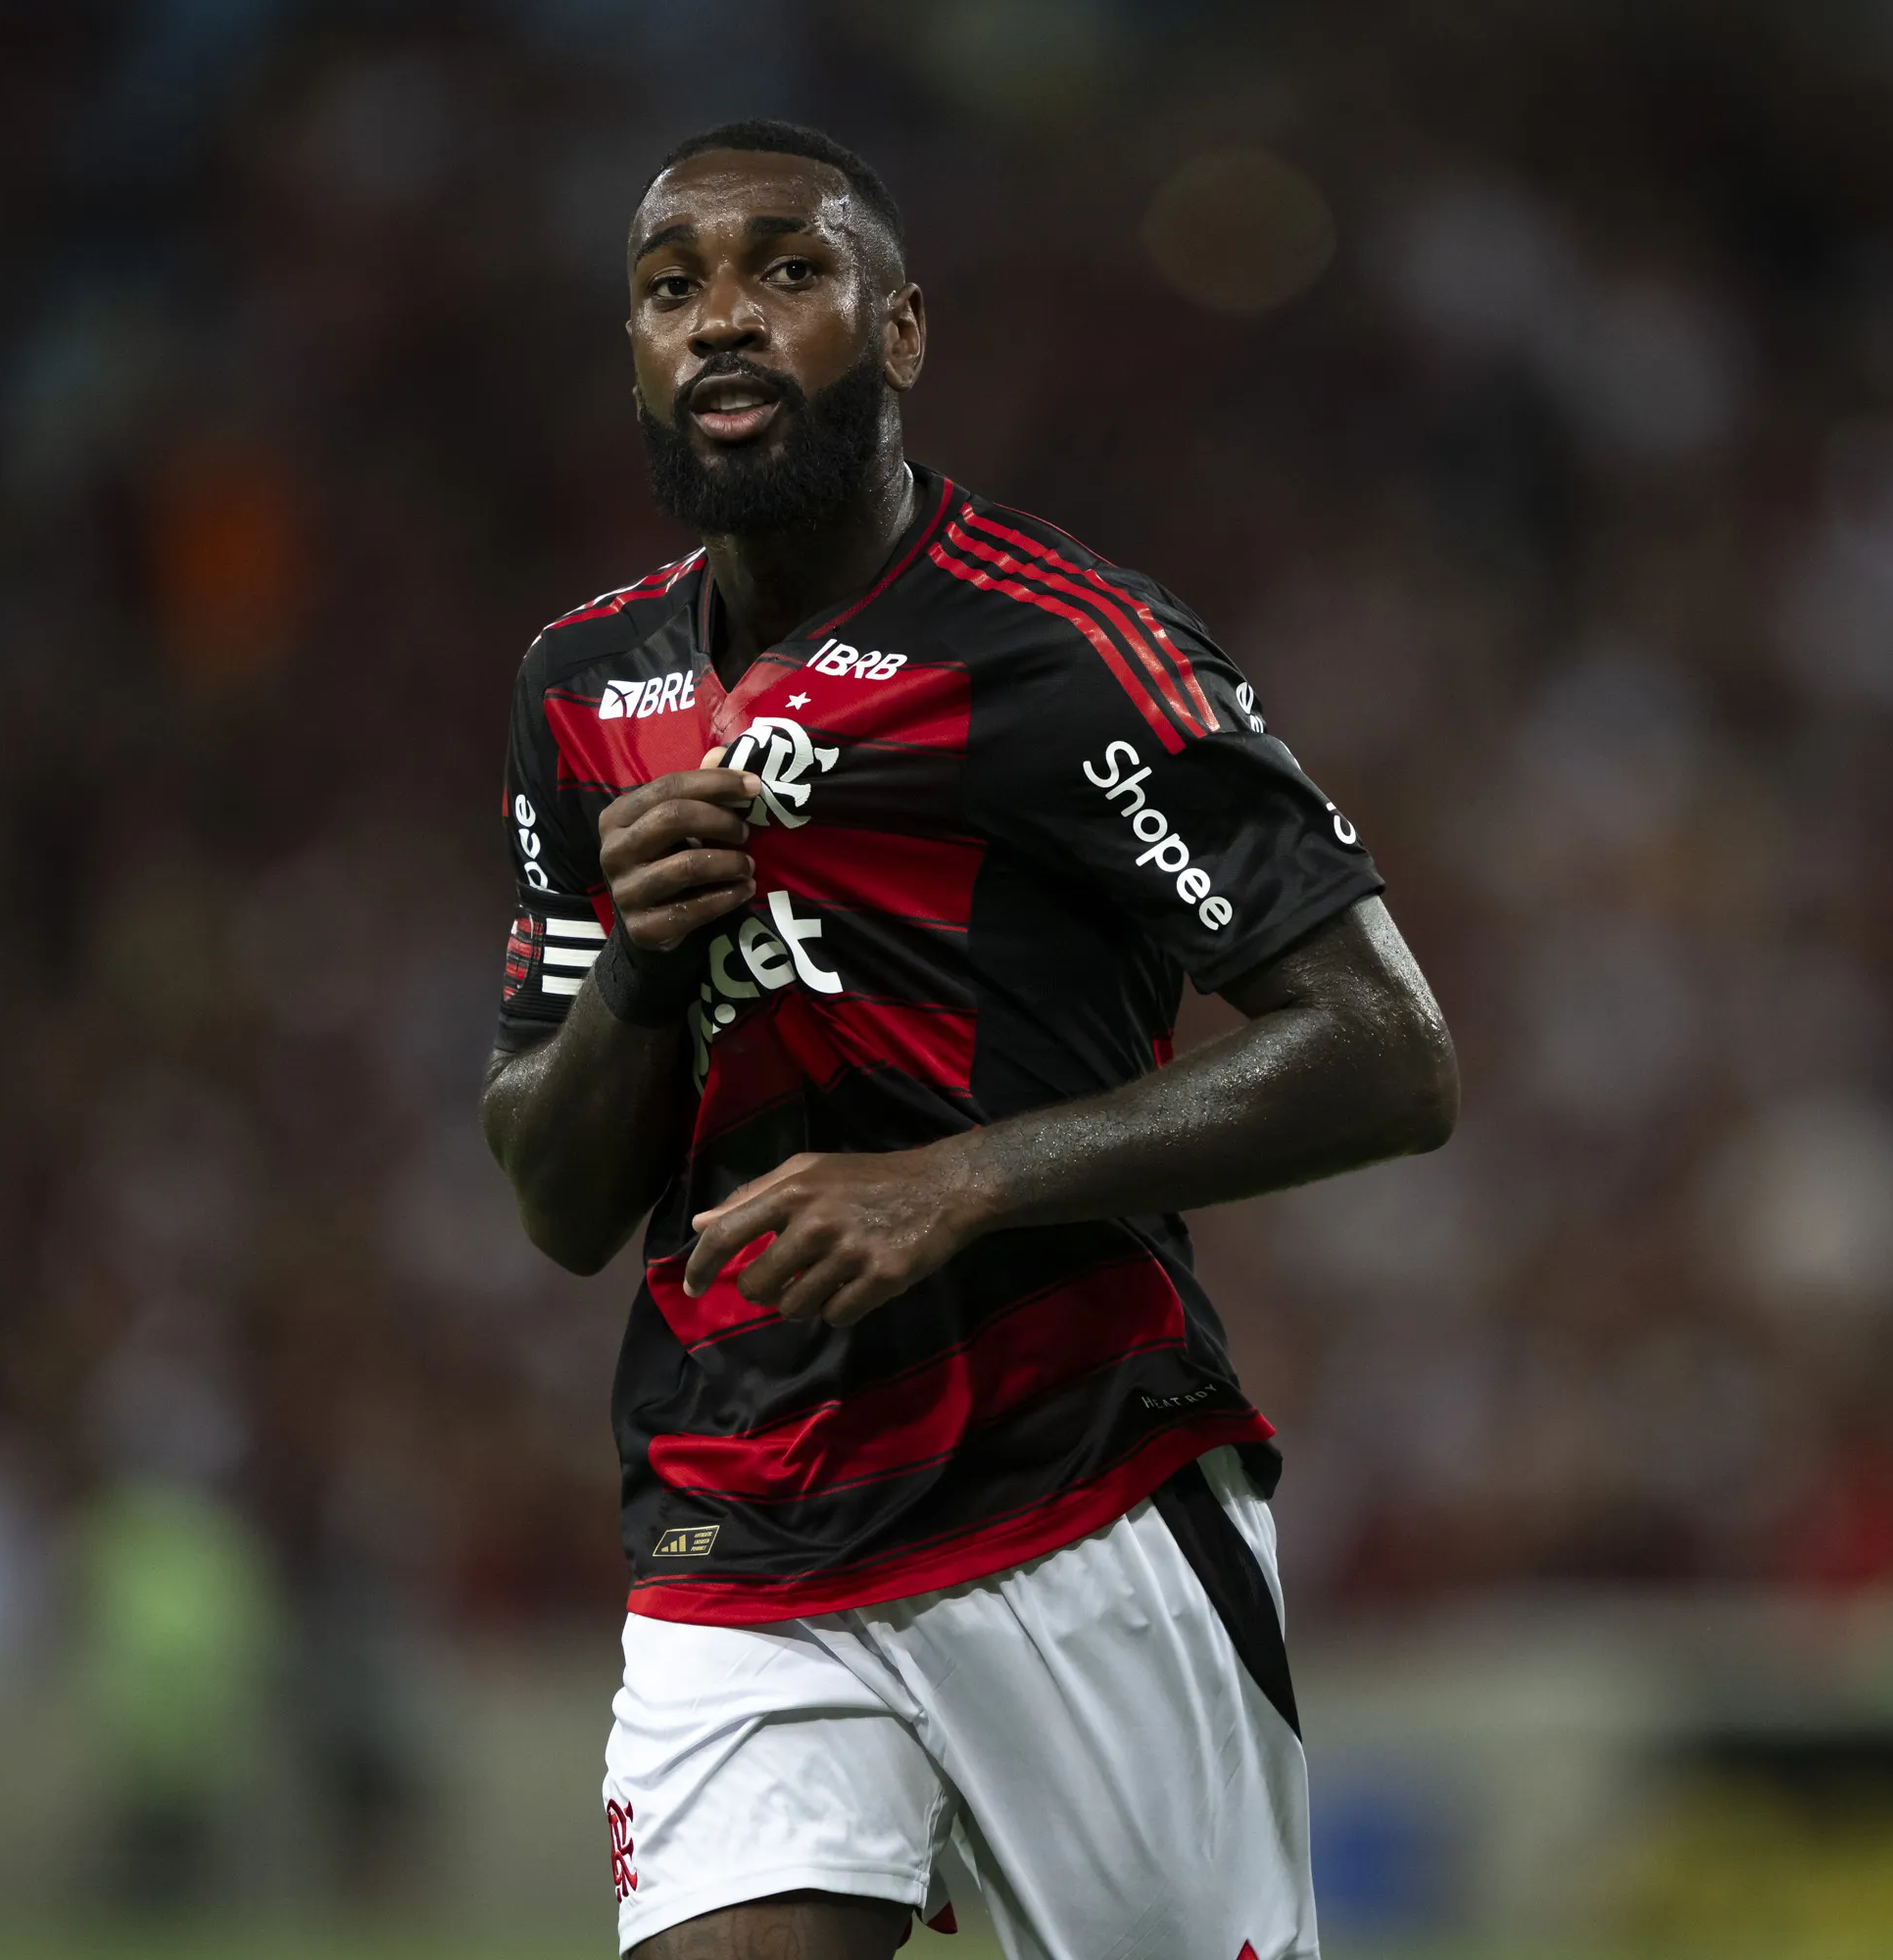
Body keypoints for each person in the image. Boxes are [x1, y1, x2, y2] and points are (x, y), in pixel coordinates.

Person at [481, 119, 1456, 1960]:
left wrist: (968, 1179)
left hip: (1072, 1488)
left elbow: (1385, 1049)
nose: (724, 322)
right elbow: (554, 1196)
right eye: (671, 288)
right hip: (736, 1516)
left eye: (788, 270)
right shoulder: (583, 689)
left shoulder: (1063, 646)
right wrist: (631, 971)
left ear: (903, 330)